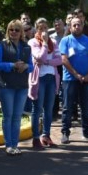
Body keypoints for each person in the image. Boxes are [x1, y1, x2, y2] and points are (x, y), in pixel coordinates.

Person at [59, 16, 88, 144]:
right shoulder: (65, 41)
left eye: (79, 24)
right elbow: (64, 59)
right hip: (70, 79)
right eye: (74, 25)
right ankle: (65, 132)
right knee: (67, 107)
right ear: (70, 27)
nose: (77, 27)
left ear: (83, 26)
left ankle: (87, 132)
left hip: (86, 80)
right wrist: (76, 75)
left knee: (86, 107)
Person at [0, 20, 32, 155]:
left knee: (17, 117)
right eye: (11, 29)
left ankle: (15, 145)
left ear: (21, 31)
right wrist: (12, 66)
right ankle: (8, 145)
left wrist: (26, 66)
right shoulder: (2, 45)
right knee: (8, 116)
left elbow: (32, 65)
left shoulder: (27, 47)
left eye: (17, 29)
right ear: (8, 31)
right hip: (6, 86)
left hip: (22, 86)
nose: (14, 32)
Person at [28, 18, 62, 149]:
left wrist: (47, 62)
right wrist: (45, 44)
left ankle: (46, 135)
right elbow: (39, 57)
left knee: (49, 109)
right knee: (37, 109)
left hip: (51, 78)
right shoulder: (33, 42)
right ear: (36, 29)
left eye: (45, 28)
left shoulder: (53, 42)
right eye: (40, 28)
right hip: (39, 79)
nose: (43, 31)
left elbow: (59, 60)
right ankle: (36, 137)